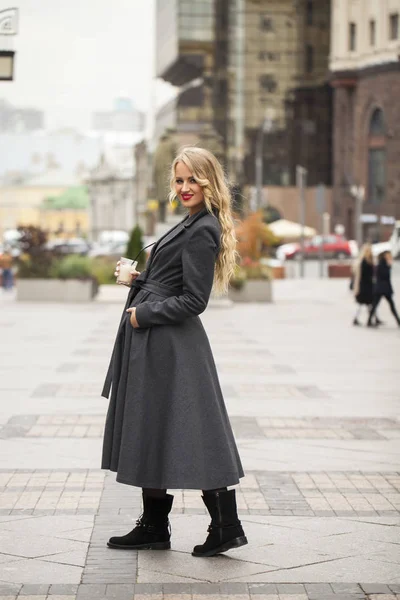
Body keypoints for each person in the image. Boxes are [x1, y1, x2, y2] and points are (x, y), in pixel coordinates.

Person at [101, 147, 247, 558]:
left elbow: (193, 300)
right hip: (159, 344)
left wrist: (141, 315)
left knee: (192, 429)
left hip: (170, 344)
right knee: (156, 426)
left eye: (192, 180)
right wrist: (138, 278)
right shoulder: (191, 222)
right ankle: (155, 525)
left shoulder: (203, 228)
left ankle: (224, 525)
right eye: (179, 180)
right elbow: (171, 281)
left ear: (208, 182)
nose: (184, 187)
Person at [367, 251, 400, 328]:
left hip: (382, 289)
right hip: (382, 289)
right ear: (385, 256)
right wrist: (389, 266)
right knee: (378, 305)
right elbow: (385, 275)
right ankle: (369, 321)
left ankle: (369, 320)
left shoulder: (383, 264)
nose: (390, 257)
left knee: (378, 305)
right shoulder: (382, 264)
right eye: (388, 255)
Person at [351, 243, 381, 326]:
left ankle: (372, 319)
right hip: (365, 287)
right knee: (367, 303)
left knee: (368, 304)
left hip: (367, 286)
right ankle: (369, 319)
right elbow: (364, 275)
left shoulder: (368, 261)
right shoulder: (365, 262)